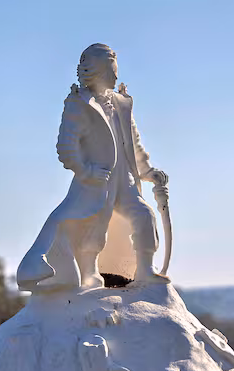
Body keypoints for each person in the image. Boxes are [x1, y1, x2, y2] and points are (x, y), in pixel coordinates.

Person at [17, 43, 170, 291]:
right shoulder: (78, 104)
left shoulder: (122, 103)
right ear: (96, 72)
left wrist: (148, 172)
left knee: (144, 216)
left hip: (127, 179)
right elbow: (66, 149)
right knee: (94, 225)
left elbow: (134, 145)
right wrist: (87, 172)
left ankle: (145, 269)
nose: (116, 76)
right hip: (99, 180)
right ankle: (89, 274)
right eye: (111, 71)